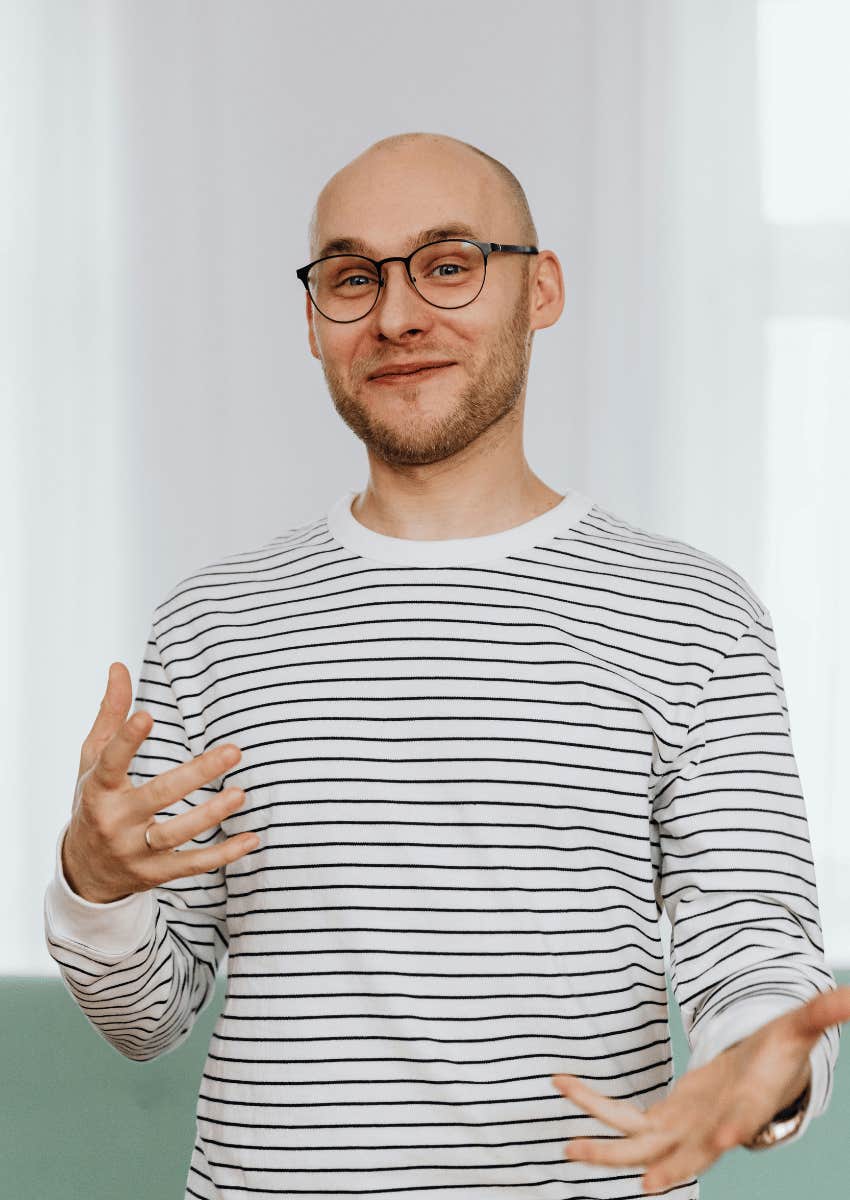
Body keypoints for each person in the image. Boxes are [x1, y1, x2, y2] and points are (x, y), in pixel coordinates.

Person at [44, 131, 850, 1200]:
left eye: (448, 263)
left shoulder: (691, 612)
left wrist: (758, 1069)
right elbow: (149, 1019)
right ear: (314, 321)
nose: (395, 314)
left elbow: (750, 937)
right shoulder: (213, 622)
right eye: (350, 278)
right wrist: (92, 883)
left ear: (540, 287)